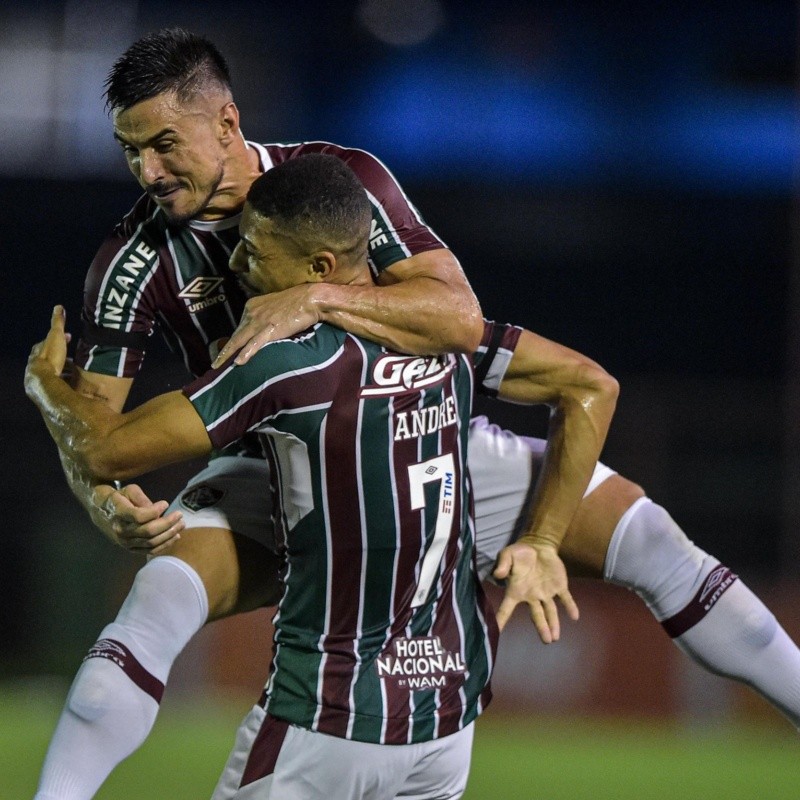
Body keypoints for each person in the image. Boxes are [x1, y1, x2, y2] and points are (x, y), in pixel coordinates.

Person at [26, 23, 800, 800]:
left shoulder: (339, 179)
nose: (148, 171)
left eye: (164, 143)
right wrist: (101, 501)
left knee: (657, 544)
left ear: (226, 120)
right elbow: (98, 433)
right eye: (131, 151)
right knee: (155, 598)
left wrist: (315, 297)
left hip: (427, 438)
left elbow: (459, 317)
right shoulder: (133, 260)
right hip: (281, 471)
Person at [26, 152, 542, 798]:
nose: (237, 268)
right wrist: (545, 538)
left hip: (327, 718)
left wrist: (46, 388)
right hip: (444, 723)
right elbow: (584, 381)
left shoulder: (284, 365)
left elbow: (106, 452)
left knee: (156, 599)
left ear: (318, 269)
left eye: (252, 253)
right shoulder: (449, 347)